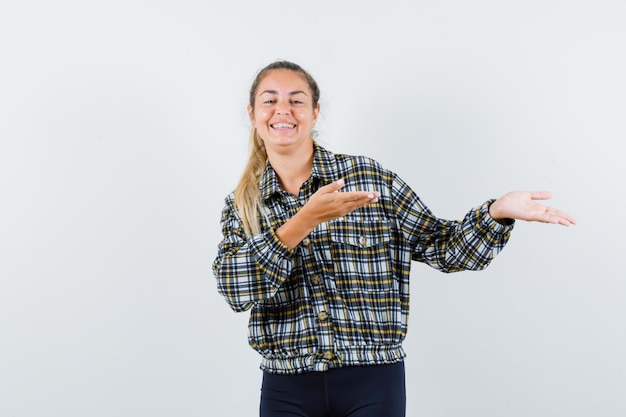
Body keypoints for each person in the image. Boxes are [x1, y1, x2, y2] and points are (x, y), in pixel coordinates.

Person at [211, 60, 575, 417]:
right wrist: (304, 221)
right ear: (252, 112)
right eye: (270, 100)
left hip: (373, 380)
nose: (283, 110)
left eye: (296, 100)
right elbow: (235, 289)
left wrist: (497, 211)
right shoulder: (243, 204)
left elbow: (443, 247)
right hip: (286, 385)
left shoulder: (368, 178)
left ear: (315, 112)